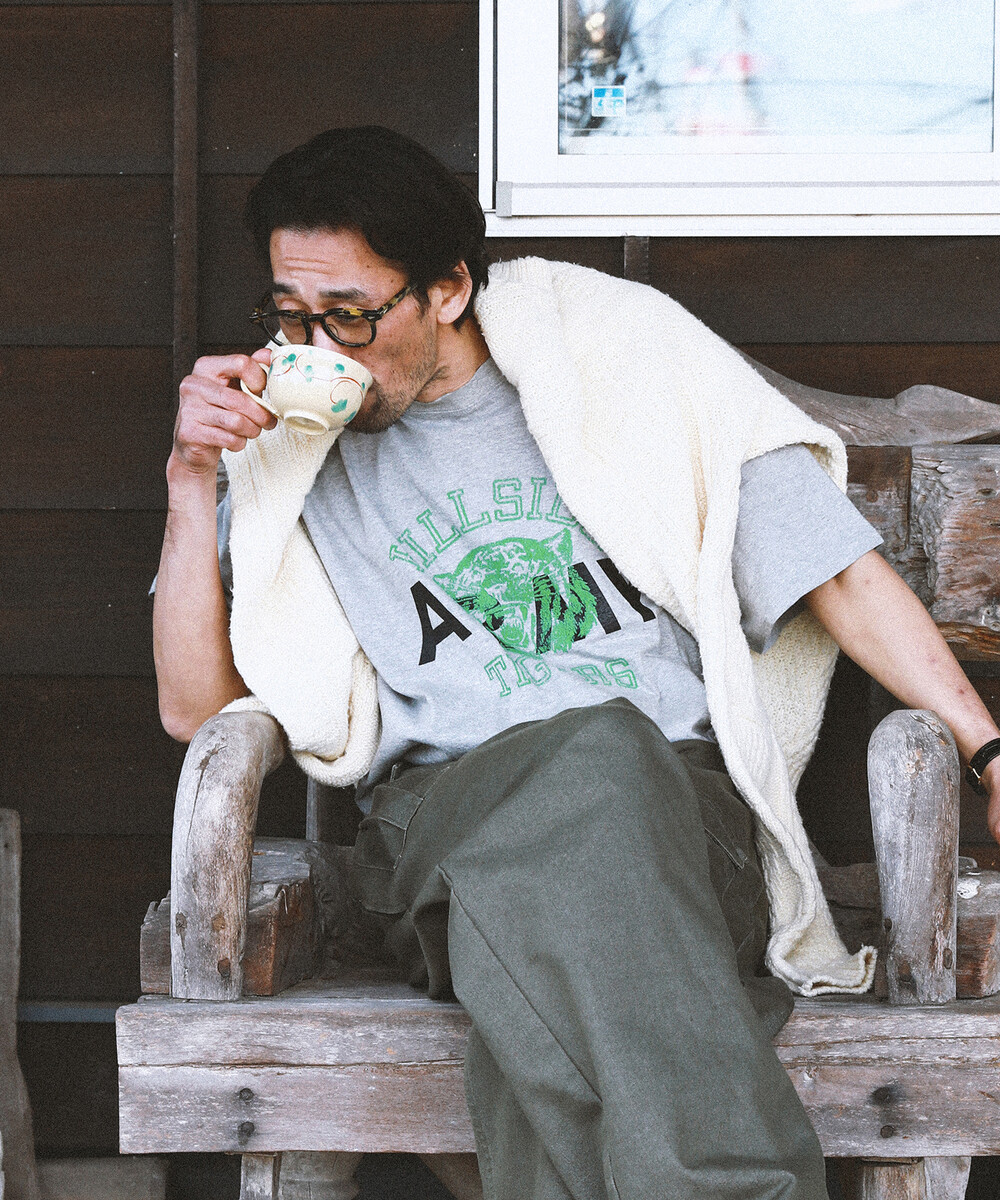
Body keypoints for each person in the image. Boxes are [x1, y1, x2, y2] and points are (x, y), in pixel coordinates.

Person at [152, 126, 1000, 1200]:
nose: (318, 348)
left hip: (681, 822)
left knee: (597, 794)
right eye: (289, 315)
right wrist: (191, 478)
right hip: (439, 826)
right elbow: (193, 710)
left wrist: (987, 749)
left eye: (351, 316)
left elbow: (834, 572)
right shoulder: (282, 449)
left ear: (449, 288)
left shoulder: (626, 369)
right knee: (594, 768)